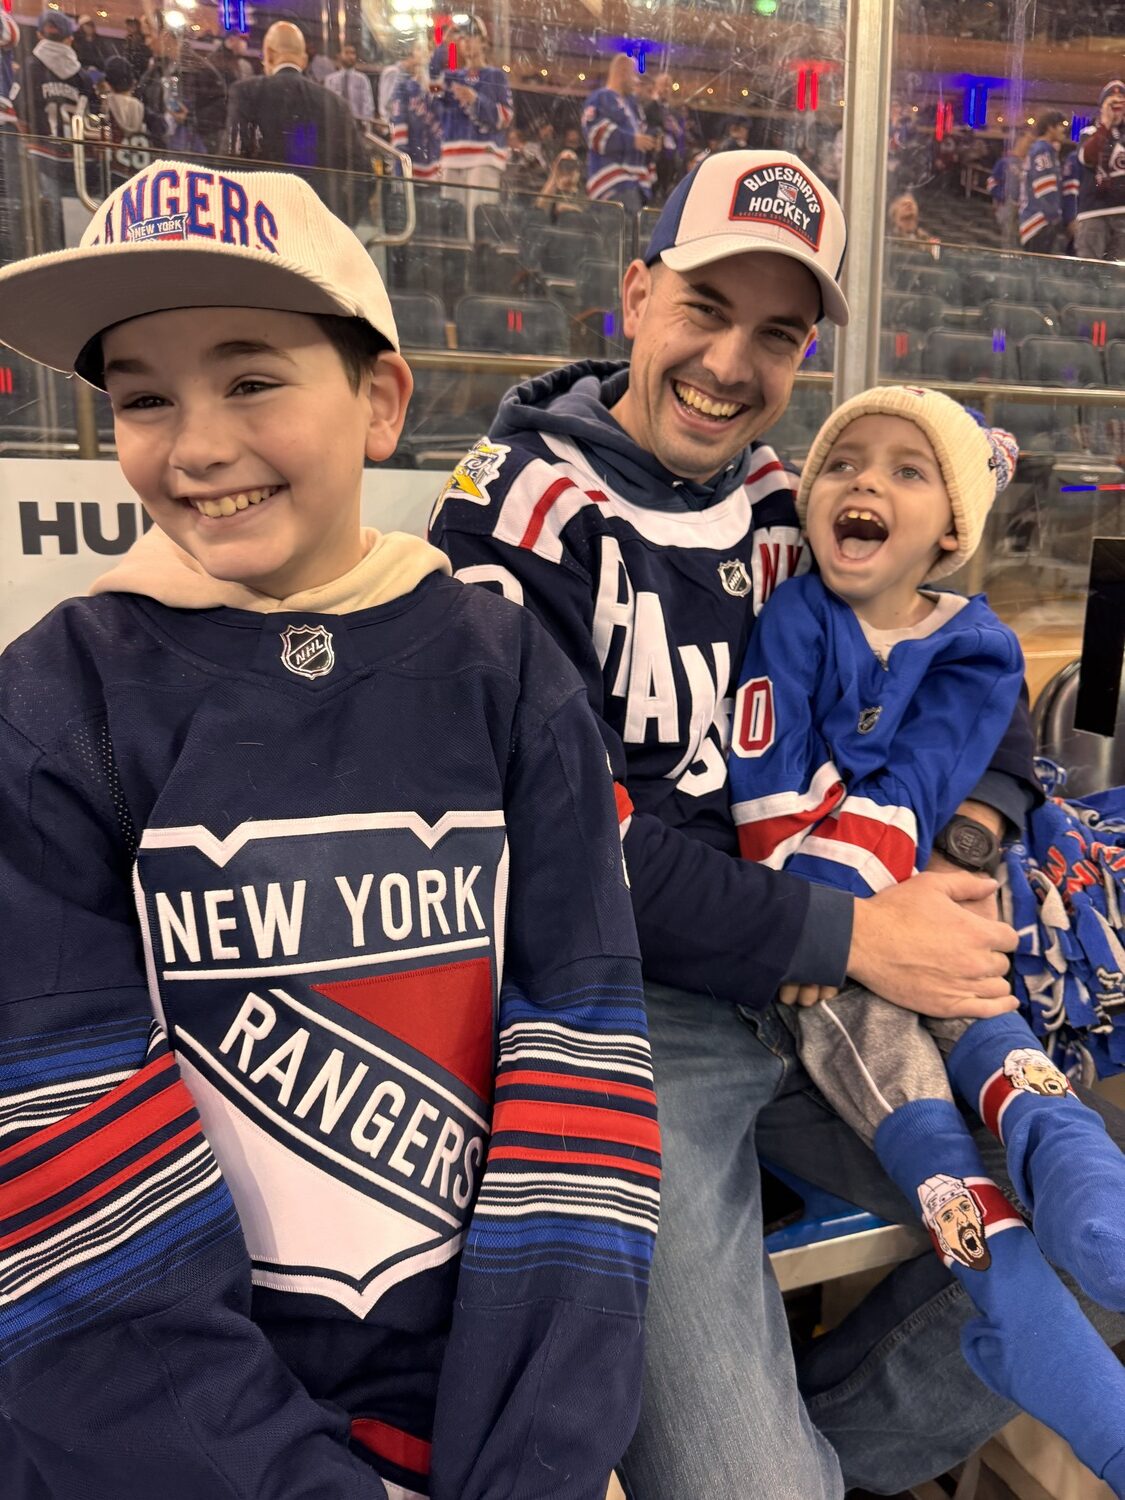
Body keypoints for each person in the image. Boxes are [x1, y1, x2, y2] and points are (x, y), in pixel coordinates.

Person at [430, 146, 1125, 1497]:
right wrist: (855, 932)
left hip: (829, 987)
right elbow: (554, 855)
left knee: (1094, 1234)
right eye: (705, 309)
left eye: (777, 334)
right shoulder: (513, 512)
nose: (730, 363)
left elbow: (969, 682)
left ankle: (797, 1449)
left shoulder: (783, 504)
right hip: (633, 1014)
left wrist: (972, 836)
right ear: (635, 294)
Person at [0, 156, 657, 1500]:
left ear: (378, 397)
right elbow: (58, 1184)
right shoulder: (50, 703)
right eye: (141, 398)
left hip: (472, 1428)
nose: (193, 445)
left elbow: (582, 1071)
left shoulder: (508, 668)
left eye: (249, 379)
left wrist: (537, 1459)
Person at [727, 384, 1125, 1492]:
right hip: (819, 937)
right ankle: (1002, 1284)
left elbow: (940, 773)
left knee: (977, 998)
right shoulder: (795, 616)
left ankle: (1068, 1152)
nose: (865, 482)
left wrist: (943, 860)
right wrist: (840, 920)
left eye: (908, 471)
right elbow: (770, 799)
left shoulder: (977, 638)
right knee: (891, 1062)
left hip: (912, 908)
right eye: (845, 462)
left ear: (951, 528)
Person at [227, 22, 371, 223]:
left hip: (263, 225)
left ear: (268, 54)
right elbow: (364, 172)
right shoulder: (336, 103)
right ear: (303, 60)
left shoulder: (245, 93)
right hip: (319, 227)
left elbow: (232, 161)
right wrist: (340, 223)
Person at [10, 11, 99, 250]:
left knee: (51, 222)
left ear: (39, 34)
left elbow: (17, 109)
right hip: (78, 158)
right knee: (80, 222)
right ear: (70, 38)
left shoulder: (30, 66)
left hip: (42, 154)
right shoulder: (83, 76)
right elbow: (95, 117)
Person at [431, 17, 512, 242]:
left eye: (471, 36)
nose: (466, 42)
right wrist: (441, 48)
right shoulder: (452, 76)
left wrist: (476, 100)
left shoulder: (496, 76)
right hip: (451, 157)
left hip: (483, 158)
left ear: (484, 41)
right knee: (452, 224)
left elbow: (505, 116)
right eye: (462, 37)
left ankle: (481, 268)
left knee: (479, 223)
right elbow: (431, 89)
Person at [581, 53, 656, 212]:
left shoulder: (632, 105)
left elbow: (642, 135)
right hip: (612, 184)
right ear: (623, 70)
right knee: (618, 234)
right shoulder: (601, 98)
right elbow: (595, 134)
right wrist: (632, 141)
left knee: (632, 234)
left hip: (633, 185)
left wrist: (651, 141)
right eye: (633, 74)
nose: (636, 80)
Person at [1073, 79, 1125, 261]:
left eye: (1121, 99)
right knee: (1090, 274)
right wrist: (1106, 125)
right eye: (1112, 99)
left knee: (1119, 278)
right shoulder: (1089, 132)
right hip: (1094, 213)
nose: (1117, 103)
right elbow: (1088, 158)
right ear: (1102, 106)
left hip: (1122, 213)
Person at [389, 43, 441, 181]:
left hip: (434, 167)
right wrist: (401, 166)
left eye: (428, 49)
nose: (424, 53)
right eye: (419, 48)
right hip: (411, 163)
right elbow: (399, 126)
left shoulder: (437, 92)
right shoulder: (403, 87)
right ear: (413, 54)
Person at [1018, 110, 1068, 253]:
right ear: (1050, 127)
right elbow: (1044, 189)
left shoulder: (1044, 150)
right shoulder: (1042, 150)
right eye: (1060, 125)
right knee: (1039, 271)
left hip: (1038, 220)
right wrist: (1054, 217)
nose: (1064, 129)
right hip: (1038, 221)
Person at [986, 125, 1032, 248]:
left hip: (1025, 208)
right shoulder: (1005, 161)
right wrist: (1005, 197)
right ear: (1020, 140)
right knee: (1009, 240)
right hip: (1008, 206)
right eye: (1028, 141)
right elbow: (991, 183)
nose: (1030, 144)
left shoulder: (1029, 163)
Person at [326, 42, 374, 125]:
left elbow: (368, 104)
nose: (350, 56)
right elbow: (327, 104)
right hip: (336, 124)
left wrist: (365, 123)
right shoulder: (330, 80)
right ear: (339, 55)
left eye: (353, 53)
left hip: (357, 123)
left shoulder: (362, 79)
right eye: (346, 53)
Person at [534, 147, 583, 218]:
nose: (567, 167)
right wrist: (555, 174)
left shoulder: (584, 189)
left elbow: (587, 214)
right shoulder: (549, 189)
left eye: (572, 164)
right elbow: (538, 212)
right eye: (563, 163)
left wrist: (568, 208)